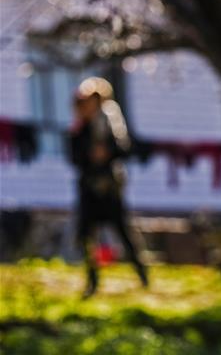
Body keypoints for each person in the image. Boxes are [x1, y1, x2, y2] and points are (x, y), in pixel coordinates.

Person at [69, 77, 147, 297]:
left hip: (110, 187)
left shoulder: (111, 124)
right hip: (88, 187)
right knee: (87, 235)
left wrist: (107, 153)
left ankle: (142, 275)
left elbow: (124, 149)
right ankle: (92, 281)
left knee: (123, 232)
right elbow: (74, 158)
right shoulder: (78, 129)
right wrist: (88, 155)